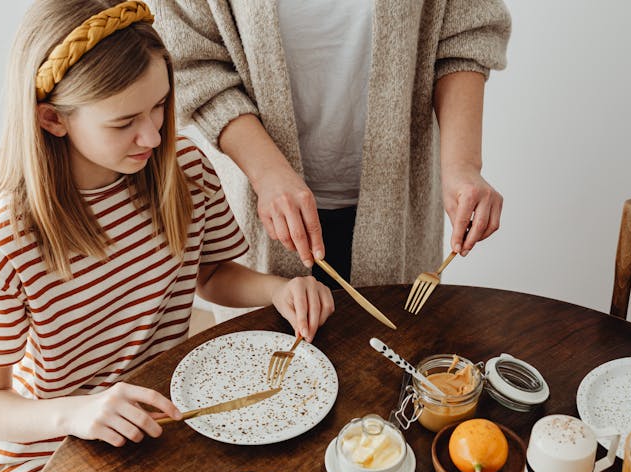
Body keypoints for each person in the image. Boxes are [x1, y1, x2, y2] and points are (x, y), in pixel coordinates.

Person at [0, 1, 333, 472]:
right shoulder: (4, 241)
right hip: (51, 447)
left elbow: (212, 273)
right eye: (124, 121)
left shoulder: (185, 171)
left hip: (167, 411)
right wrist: (80, 411)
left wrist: (279, 290)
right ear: (51, 119)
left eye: (160, 106)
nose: (153, 134)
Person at [152, 0, 511, 289]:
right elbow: (191, 58)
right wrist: (268, 174)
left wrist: (462, 165)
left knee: (393, 363)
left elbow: (466, 33)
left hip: (398, 212)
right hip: (263, 210)